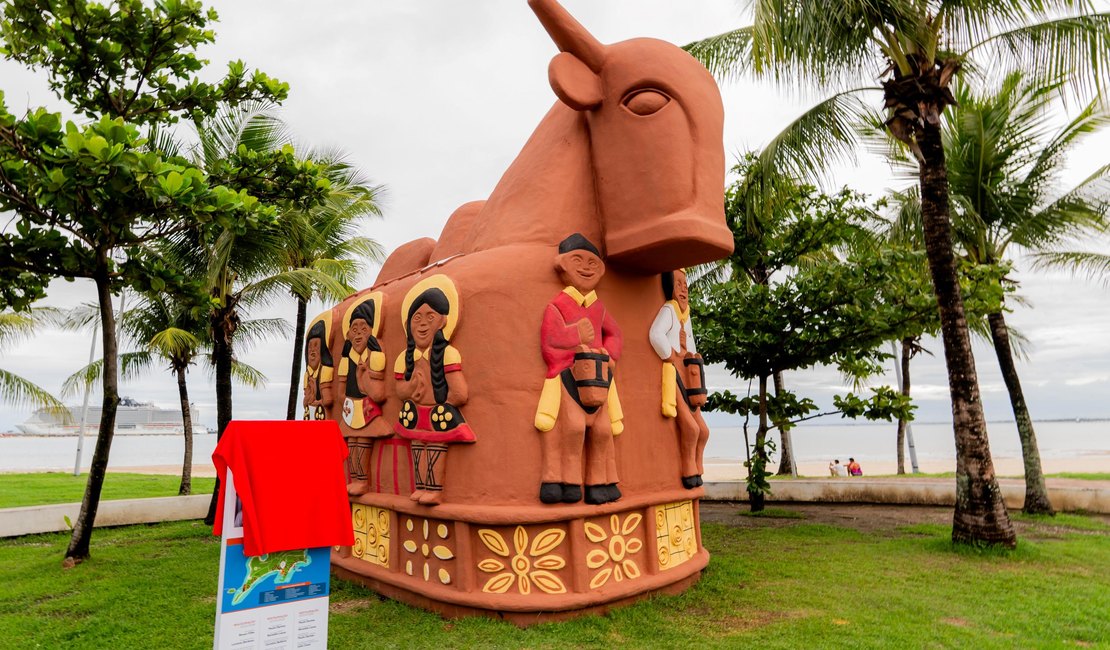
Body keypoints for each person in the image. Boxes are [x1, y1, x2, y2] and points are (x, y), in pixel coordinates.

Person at [534, 233, 624, 505]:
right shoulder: (558, 305)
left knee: (603, 431)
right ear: (563, 264)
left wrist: (610, 355)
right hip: (569, 377)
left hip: (600, 378)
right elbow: (549, 341)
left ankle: (601, 484)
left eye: (592, 263)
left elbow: (615, 334)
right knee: (571, 428)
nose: (586, 267)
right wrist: (575, 336)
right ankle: (564, 482)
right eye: (578, 260)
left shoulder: (598, 308)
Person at [393, 277, 474, 506]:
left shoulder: (448, 354)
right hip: (416, 413)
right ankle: (421, 486)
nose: (422, 324)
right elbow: (400, 390)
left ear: (443, 321)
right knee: (418, 448)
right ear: (408, 323)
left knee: (436, 449)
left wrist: (443, 404)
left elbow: (460, 392)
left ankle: (435, 489)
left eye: (430, 317)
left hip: (439, 413)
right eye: (416, 318)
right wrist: (410, 388)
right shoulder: (404, 358)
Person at [649, 269, 709, 489]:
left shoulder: (686, 314)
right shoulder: (668, 310)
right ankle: (688, 469)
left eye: (686, 284)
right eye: (678, 284)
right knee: (691, 428)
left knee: (703, 430)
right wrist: (670, 354)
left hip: (689, 374)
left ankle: (698, 467)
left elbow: (690, 340)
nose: (684, 288)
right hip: (674, 373)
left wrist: (692, 356)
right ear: (669, 288)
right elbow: (656, 334)